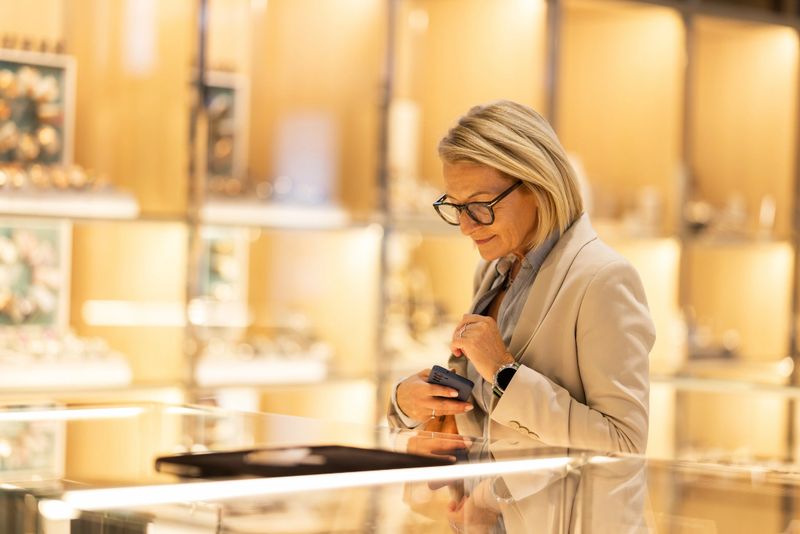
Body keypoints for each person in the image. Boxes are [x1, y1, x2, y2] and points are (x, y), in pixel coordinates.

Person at [387, 100, 655, 454]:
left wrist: (503, 372)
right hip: (487, 506)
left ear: (537, 186)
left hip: (567, 510)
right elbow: (493, 423)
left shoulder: (605, 279)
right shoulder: (493, 270)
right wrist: (406, 405)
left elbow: (625, 441)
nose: (466, 226)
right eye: (455, 206)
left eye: (480, 205)